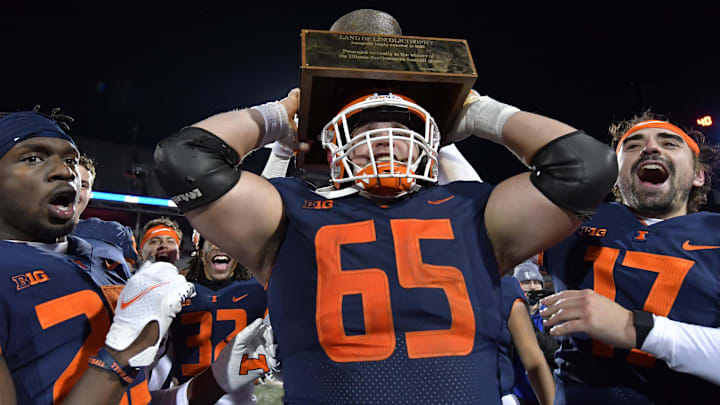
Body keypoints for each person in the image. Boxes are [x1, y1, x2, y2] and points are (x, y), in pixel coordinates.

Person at [153, 60, 617, 405]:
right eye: (368, 129)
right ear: (336, 147)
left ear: (433, 144)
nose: (386, 138)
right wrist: (280, 113)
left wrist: (480, 113)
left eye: (401, 128)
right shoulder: (292, 210)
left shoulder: (474, 207)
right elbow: (185, 160)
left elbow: (587, 168)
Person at [0, 110, 196, 405]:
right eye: (33, 158)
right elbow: (122, 362)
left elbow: (136, 397)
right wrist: (119, 358)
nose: (67, 172)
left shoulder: (107, 253)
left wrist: (219, 379)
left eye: (69, 160)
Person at [539, 112, 720, 404]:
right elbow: (471, 222)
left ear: (699, 175)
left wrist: (636, 328)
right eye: (633, 145)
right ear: (614, 173)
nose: (650, 148)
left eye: (670, 144)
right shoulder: (572, 220)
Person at [149, 230, 269, 405]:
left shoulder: (260, 290)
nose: (220, 247)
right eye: (212, 241)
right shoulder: (176, 289)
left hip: (237, 396)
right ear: (200, 250)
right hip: (185, 393)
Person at [73, 155, 139, 269]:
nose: (74, 190)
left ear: (89, 194)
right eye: (69, 181)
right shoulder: (32, 233)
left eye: (83, 185)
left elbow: (125, 281)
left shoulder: (113, 234)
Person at [498, 276, 554, 405]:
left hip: (545, 390)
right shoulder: (504, 311)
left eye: (536, 283)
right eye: (526, 282)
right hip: (517, 394)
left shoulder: (549, 314)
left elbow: (552, 352)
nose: (532, 286)